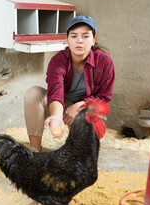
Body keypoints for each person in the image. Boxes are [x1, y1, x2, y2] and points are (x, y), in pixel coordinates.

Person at [24, 16, 115, 152]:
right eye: (73, 36)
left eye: (85, 36)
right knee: (33, 93)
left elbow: (104, 97)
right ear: (67, 39)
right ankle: (35, 149)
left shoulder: (104, 62)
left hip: (84, 109)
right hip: (60, 106)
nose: (79, 41)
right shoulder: (58, 61)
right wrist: (56, 116)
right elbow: (55, 93)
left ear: (93, 39)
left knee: (82, 153)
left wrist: (79, 105)